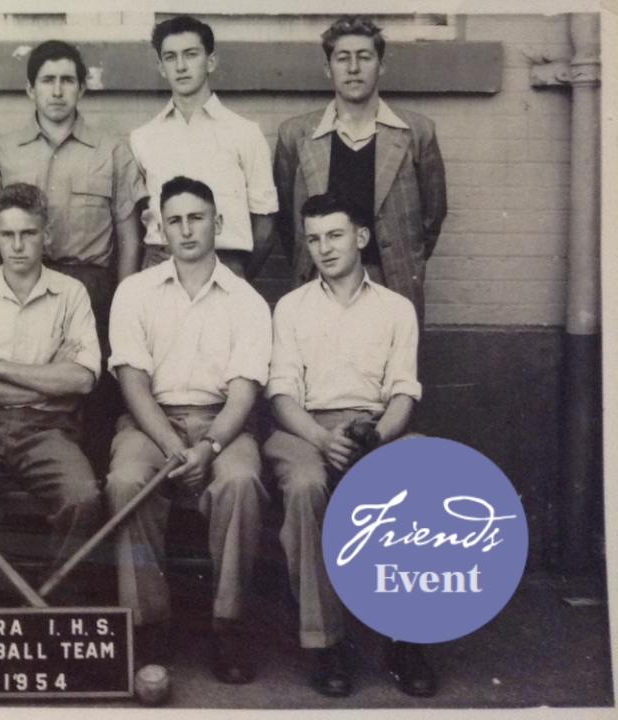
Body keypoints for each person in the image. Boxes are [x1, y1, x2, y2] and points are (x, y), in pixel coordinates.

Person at [263, 192, 434, 698]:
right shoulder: (291, 308)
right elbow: (281, 396)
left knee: (421, 476)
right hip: (306, 428)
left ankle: (407, 636)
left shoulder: (396, 309)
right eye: (314, 239)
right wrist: (321, 438)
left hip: (377, 427)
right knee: (305, 486)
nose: (324, 248)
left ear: (360, 237)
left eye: (335, 235)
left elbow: (403, 392)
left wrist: (377, 437)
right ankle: (325, 642)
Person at [106, 176, 271, 683]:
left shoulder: (246, 299)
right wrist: (173, 445)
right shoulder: (135, 292)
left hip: (223, 422)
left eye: (196, 218)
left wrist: (210, 445)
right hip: (151, 421)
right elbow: (132, 382)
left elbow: (243, 391)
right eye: (174, 220)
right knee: (126, 482)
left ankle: (228, 624)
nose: (186, 230)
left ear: (217, 222)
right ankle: (148, 624)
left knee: (240, 482)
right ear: (160, 229)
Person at [0, 183, 102, 606]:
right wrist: (45, 382)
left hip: (48, 429)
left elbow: (82, 381)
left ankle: (51, 601)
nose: (17, 245)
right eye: (7, 234)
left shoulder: (71, 293)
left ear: (46, 235)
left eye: (28, 233)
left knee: (83, 498)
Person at [273, 15, 447, 324]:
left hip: (391, 281)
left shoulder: (417, 132)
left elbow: (432, 216)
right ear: (328, 68)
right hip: (319, 281)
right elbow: (288, 219)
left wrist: (403, 262)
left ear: (381, 65)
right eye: (342, 58)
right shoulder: (296, 135)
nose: (353, 68)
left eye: (364, 57)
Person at [0, 39, 146, 336]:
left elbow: (129, 239)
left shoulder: (112, 152)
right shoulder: (2, 152)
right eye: (47, 80)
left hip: (90, 288)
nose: (56, 91)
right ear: (30, 89)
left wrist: (124, 306)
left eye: (67, 80)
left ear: (82, 88)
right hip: (20, 286)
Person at [129, 16, 277, 278]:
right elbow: (136, 219)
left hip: (225, 263)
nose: (181, 66)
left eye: (191, 54)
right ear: (161, 67)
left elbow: (264, 223)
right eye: (170, 57)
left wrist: (234, 274)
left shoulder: (244, 133)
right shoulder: (142, 138)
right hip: (160, 266)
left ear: (211, 61)